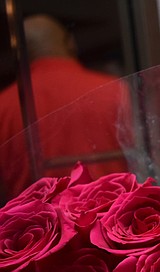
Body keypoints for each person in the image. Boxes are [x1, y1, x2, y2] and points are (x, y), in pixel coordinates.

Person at [0, 14, 128, 201]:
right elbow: (145, 160)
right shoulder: (114, 89)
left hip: (36, 227)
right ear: (70, 43)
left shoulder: (5, 105)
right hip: (112, 220)